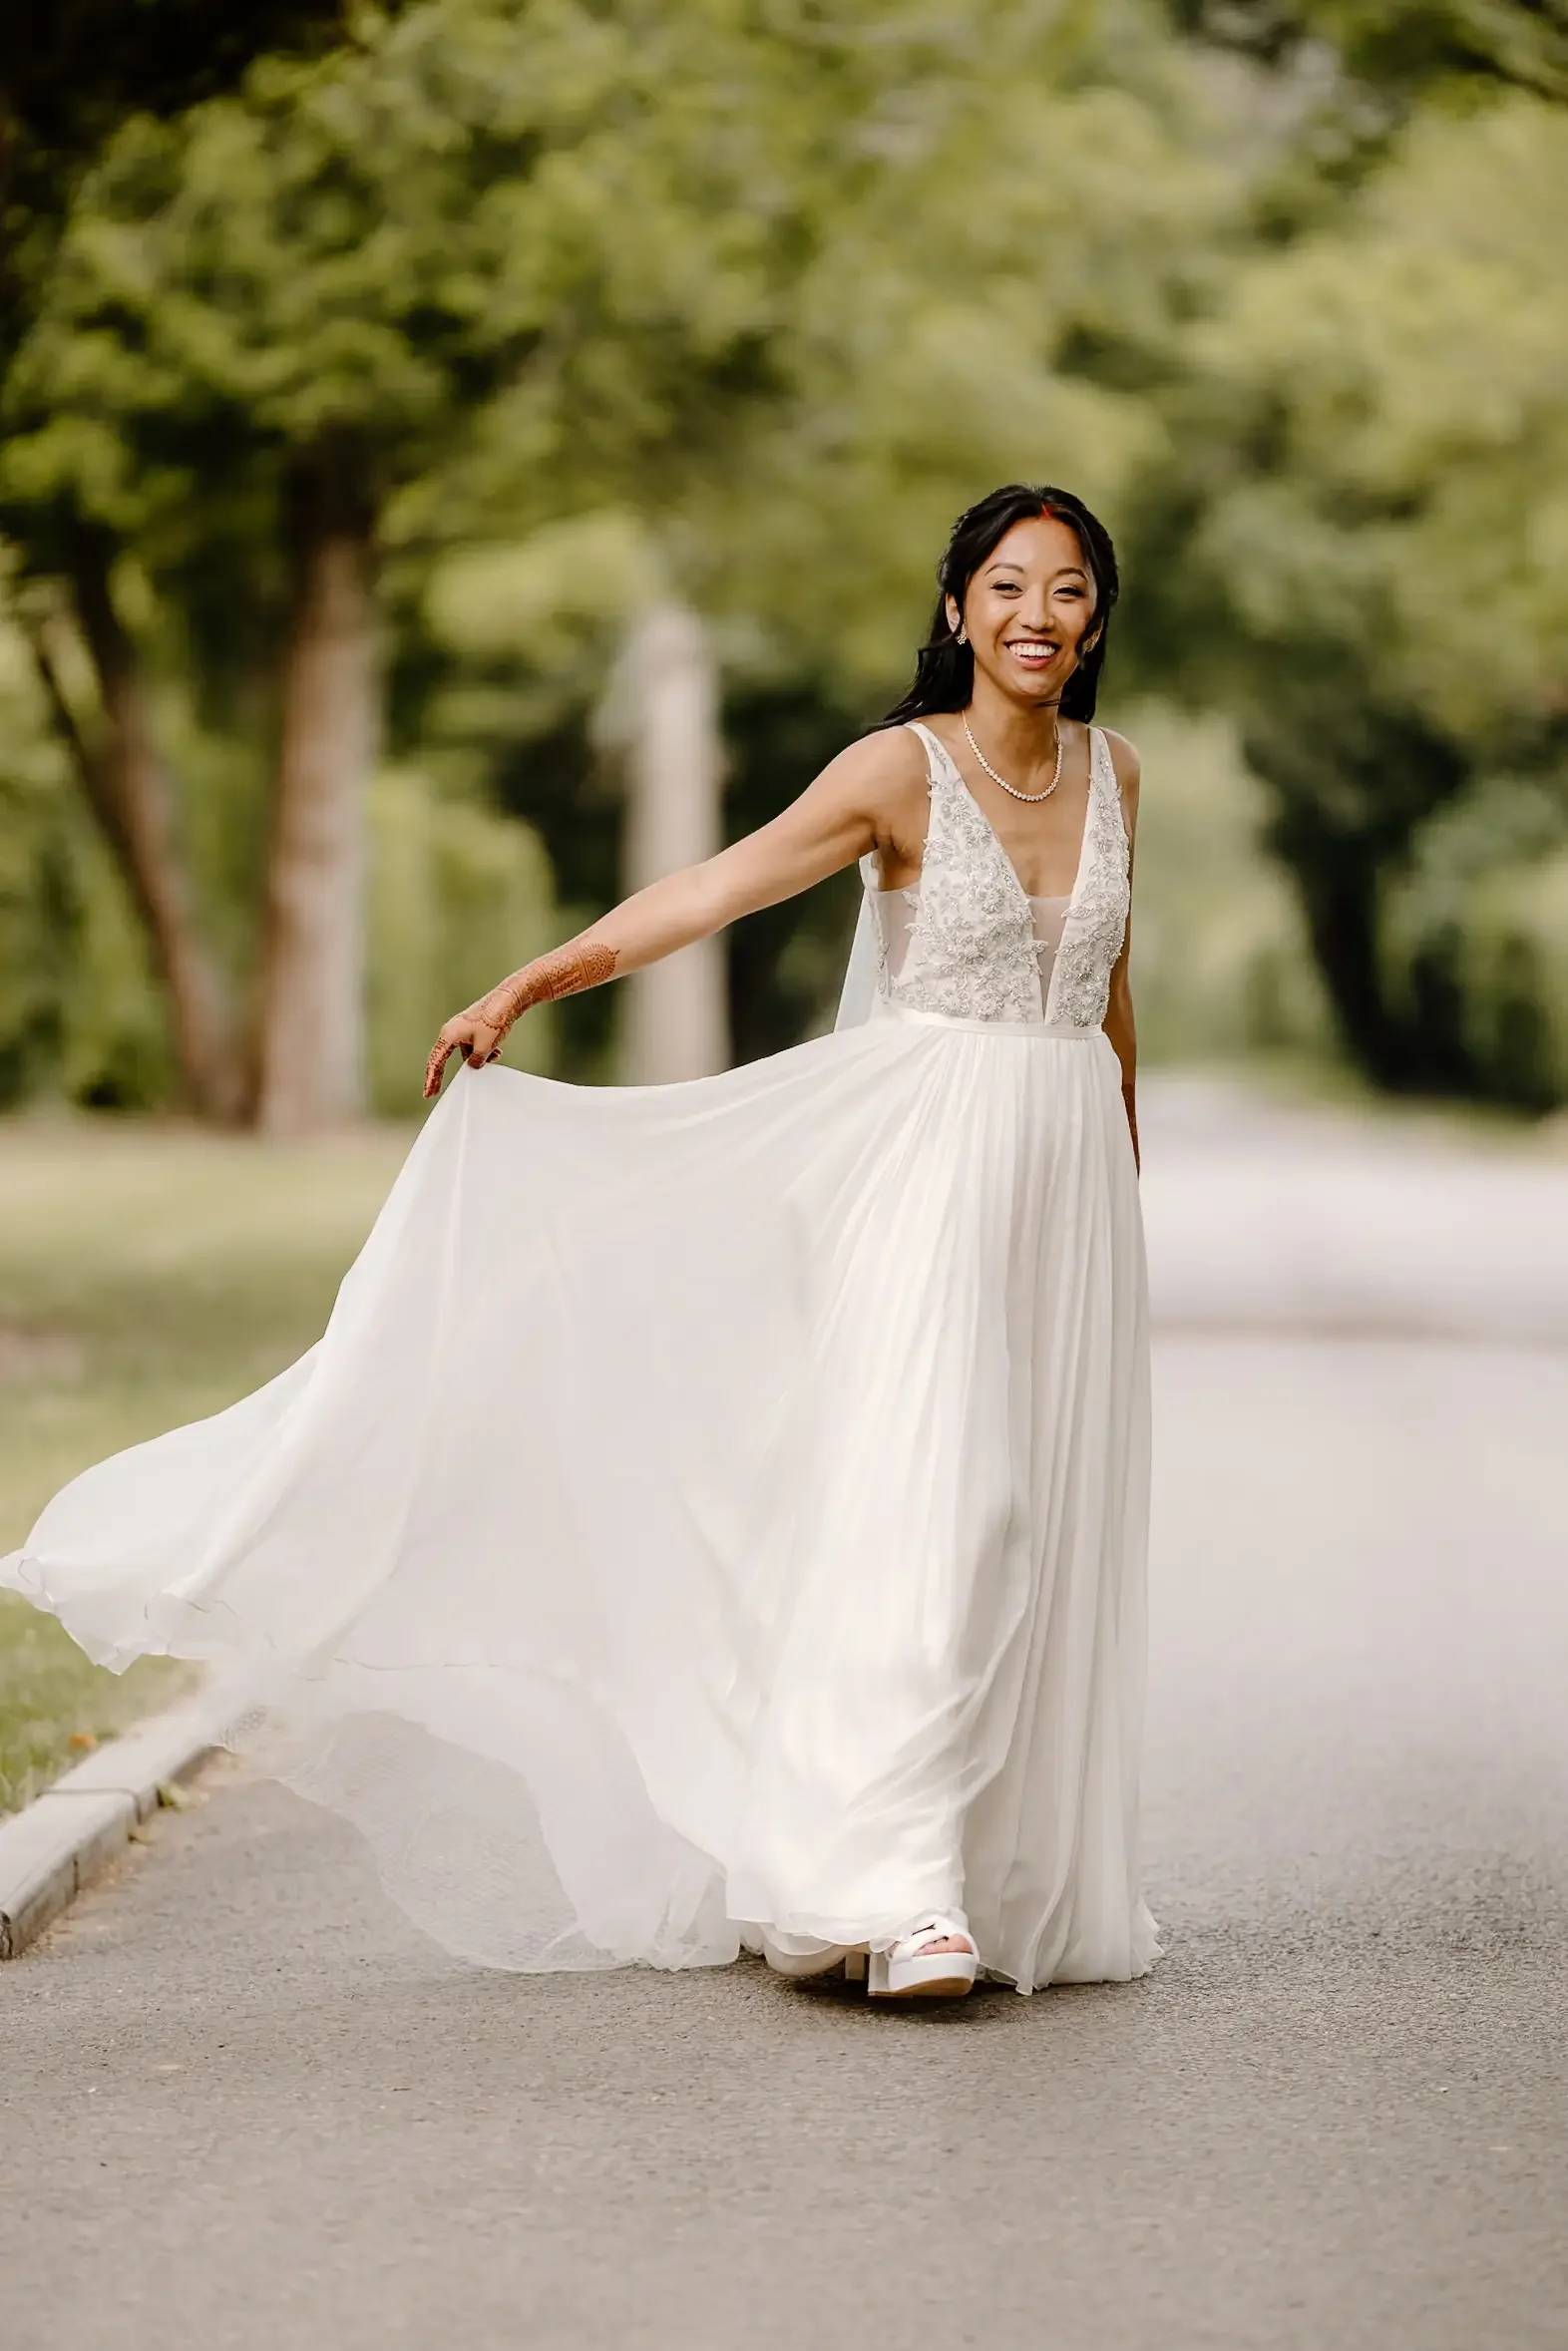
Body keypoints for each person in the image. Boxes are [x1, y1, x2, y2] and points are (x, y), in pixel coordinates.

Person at [3, 483, 1158, 2002]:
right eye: (1006, 586)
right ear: (957, 610)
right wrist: (531, 984)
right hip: (919, 1181)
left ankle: (951, 1873)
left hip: (1065, 1194)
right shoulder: (897, 771)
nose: (1034, 615)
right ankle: (899, 1888)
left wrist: (1124, 1194)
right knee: (957, 1512)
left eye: (1066, 591)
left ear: (1094, 621)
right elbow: (710, 888)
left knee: (1032, 1529)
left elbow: (1111, 989)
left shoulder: (1118, 771)